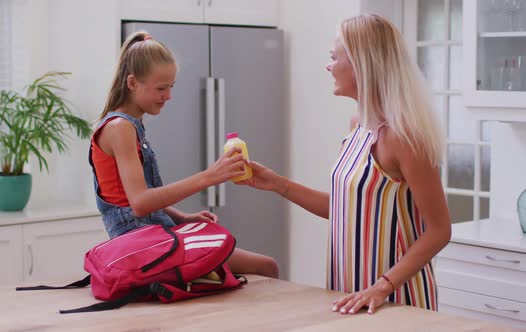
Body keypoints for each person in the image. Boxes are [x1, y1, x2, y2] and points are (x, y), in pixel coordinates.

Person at [237, 14, 451, 313]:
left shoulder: (404, 137)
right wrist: (277, 184)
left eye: (333, 57)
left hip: (396, 299)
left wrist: (382, 287)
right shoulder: (357, 125)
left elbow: (439, 230)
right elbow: (347, 209)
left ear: (362, 65)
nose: (328, 66)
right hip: (349, 291)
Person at [89, 31, 279, 279]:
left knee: (248, 268)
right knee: (267, 267)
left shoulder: (130, 125)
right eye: (161, 88)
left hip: (154, 233)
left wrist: (182, 217)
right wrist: (210, 176)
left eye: (170, 87)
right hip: (144, 242)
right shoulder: (120, 128)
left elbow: (137, 196)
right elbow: (140, 202)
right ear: (133, 83)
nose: (168, 96)